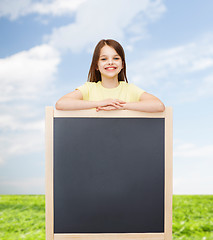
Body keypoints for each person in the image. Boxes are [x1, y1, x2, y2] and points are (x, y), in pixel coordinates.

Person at [55, 39, 165, 112]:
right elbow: (61, 104)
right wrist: (101, 103)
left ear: (122, 64)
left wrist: (122, 106)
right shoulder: (89, 88)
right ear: (96, 65)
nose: (110, 62)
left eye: (116, 58)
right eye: (104, 59)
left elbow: (158, 105)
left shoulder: (129, 89)